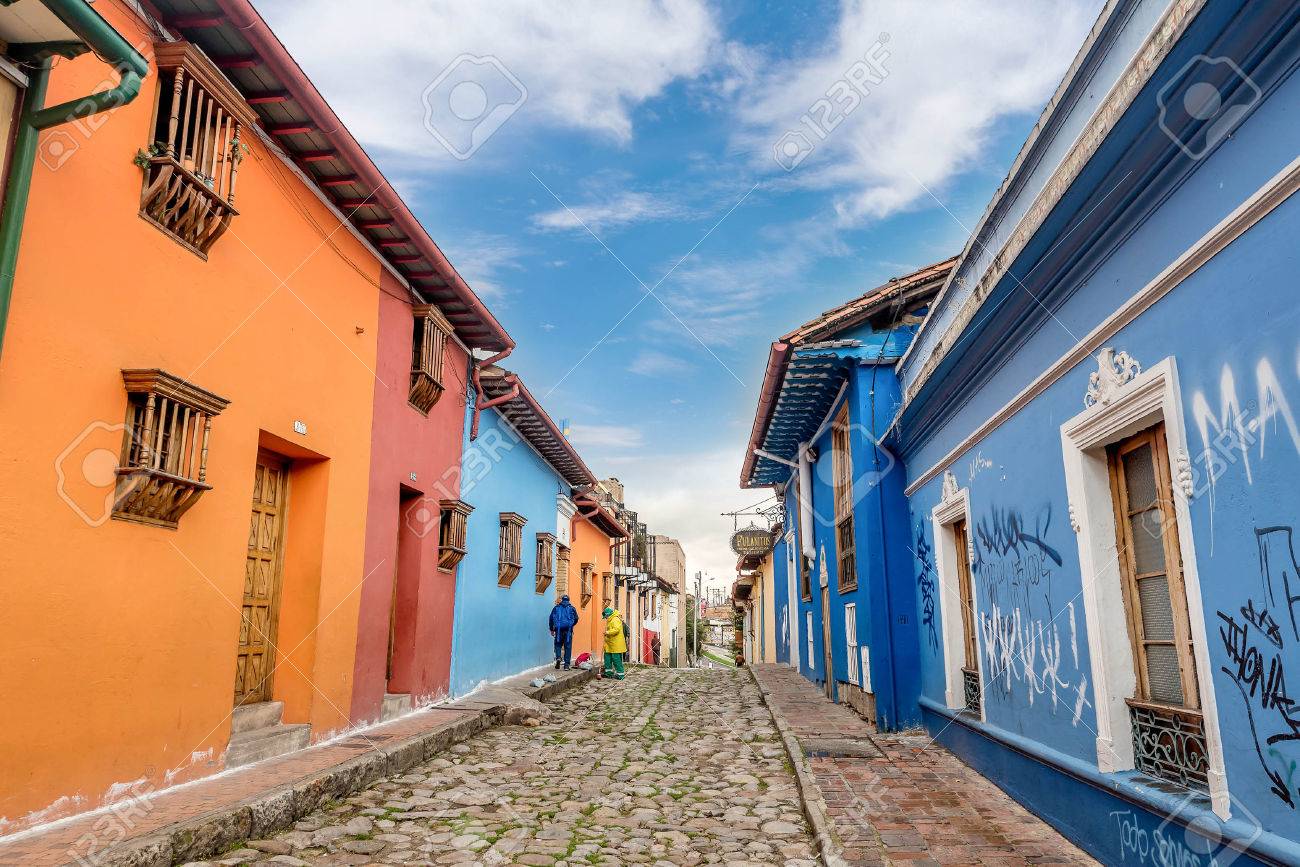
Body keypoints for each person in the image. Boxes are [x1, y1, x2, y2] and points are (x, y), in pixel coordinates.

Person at [549, 594, 579, 670]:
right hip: (568, 631)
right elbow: (576, 618)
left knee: (558, 645)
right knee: (568, 647)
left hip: (558, 630)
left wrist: (552, 629)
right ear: (568, 600)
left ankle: (558, 657)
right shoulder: (572, 608)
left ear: (562, 600)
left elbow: (551, 618)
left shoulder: (556, 608)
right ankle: (566, 665)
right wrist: (571, 625)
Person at [602, 606, 627, 679]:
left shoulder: (615, 619)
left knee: (616, 660)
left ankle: (620, 675)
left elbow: (616, 630)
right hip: (609, 643)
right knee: (607, 658)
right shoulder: (610, 619)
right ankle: (608, 673)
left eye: (606, 617)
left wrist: (607, 632)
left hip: (616, 644)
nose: (606, 618)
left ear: (608, 615)